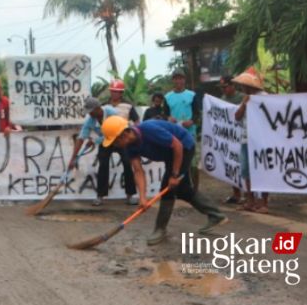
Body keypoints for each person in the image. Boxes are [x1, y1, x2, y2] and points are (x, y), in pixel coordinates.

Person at [101, 115, 228, 245]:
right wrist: (143, 198)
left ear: (124, 135)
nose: (115, 145)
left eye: (115, 142)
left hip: (184, 147)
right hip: (170, 154)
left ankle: (160, 229)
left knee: (168, 190)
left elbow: (177, 145)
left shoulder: (149, 130)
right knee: (183, 190)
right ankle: (216, 215)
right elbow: (138, 171)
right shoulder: (129, 147)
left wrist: (174, 175)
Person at [67, 97, 120, 206]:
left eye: (91, 111)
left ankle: (130, 195)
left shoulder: (112, 113)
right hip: (105, 142)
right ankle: (100, 196)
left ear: (97, 108)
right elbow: (81, 138)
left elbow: (113, 133)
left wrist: (95, 141)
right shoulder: (90, 120)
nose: (89, 114)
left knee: (127, 161)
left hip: (120, 139)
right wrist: (73, 158)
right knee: (103, 165)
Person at [233, 68, 269, 213]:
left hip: (262, 141)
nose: (242, 87)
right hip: (246, 139)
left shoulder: (265, 97)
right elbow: (237, 117)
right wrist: (244, 103)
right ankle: (250, 200)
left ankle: (264, 203)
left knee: (263, 170)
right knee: (246, 171)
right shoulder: (245, 98)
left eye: (244, 84)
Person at [220, 75, 244, 205]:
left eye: (225, 87)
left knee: (243, 165)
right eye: (221, 87)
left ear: (232, 85)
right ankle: (236, 194)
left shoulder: (241, 97)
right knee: (230, 164)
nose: (223, 90)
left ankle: (248, 193)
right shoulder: (222, 99)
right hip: (228, 137)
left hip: (241, 136)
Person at [164, 69, 199, 138]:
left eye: (180, 79)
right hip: (174, 133)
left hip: (189, 132)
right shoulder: (167, 97)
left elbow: (197, 114)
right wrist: (168, 118)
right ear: (172, 80)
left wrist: (191, 121)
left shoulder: (192, 95)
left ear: (184, 80)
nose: (178, 81)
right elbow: (165, 114)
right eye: (176, 79)